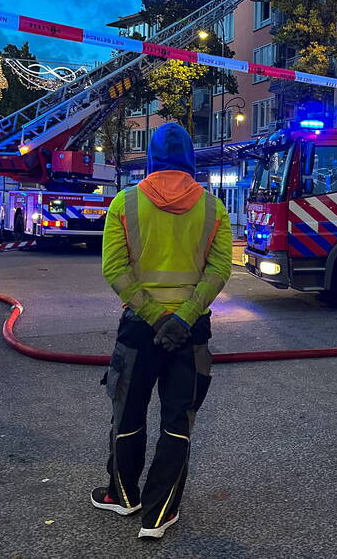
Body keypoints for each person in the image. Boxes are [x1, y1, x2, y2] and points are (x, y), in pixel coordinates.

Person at [94, 123, 232, 540]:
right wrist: (183, 317)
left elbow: (114, 269)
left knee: (128, 413)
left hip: (139, 330)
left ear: (151, 159)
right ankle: (159, 513)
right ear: (190, 159)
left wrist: (154, 315)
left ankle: (123, 494)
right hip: (190, 335)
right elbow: (219, 269)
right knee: (178, 420)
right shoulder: (213, 208)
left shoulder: (125, 203)